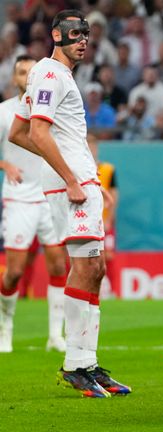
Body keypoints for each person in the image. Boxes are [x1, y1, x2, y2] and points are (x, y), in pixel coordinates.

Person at [8, 10, 130, 398]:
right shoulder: (49, 74)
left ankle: (87, 362)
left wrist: (88, 176)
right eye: (75, 32)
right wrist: (71, 177)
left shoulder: (58, 76)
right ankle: (77, 365)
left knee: (95, 268)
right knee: (86, 267)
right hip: (71, 186)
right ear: (56, 35)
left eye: (87, 34)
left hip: (82, 181)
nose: (83, 39)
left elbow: (18, 132)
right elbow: (37, 132)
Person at [0, 54, 68, 353]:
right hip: (19, 196)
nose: (26, 76)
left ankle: (56, 335)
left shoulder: (50, 106)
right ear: (14, 78)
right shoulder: (4, 112)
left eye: (30, 72)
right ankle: (5, 328)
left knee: (57, 263)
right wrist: (5, 164)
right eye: (21, 72)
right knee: (13, 271)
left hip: (49, 193)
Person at [88, 134, 118, 295]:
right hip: (86, 221)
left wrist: (109, 218)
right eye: (88, 146)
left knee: (109, 256)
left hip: (104, 221)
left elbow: (114, 194)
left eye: (93, 146)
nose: (91, 149)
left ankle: (112, 290)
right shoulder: (78, 169)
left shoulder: (107, 169)